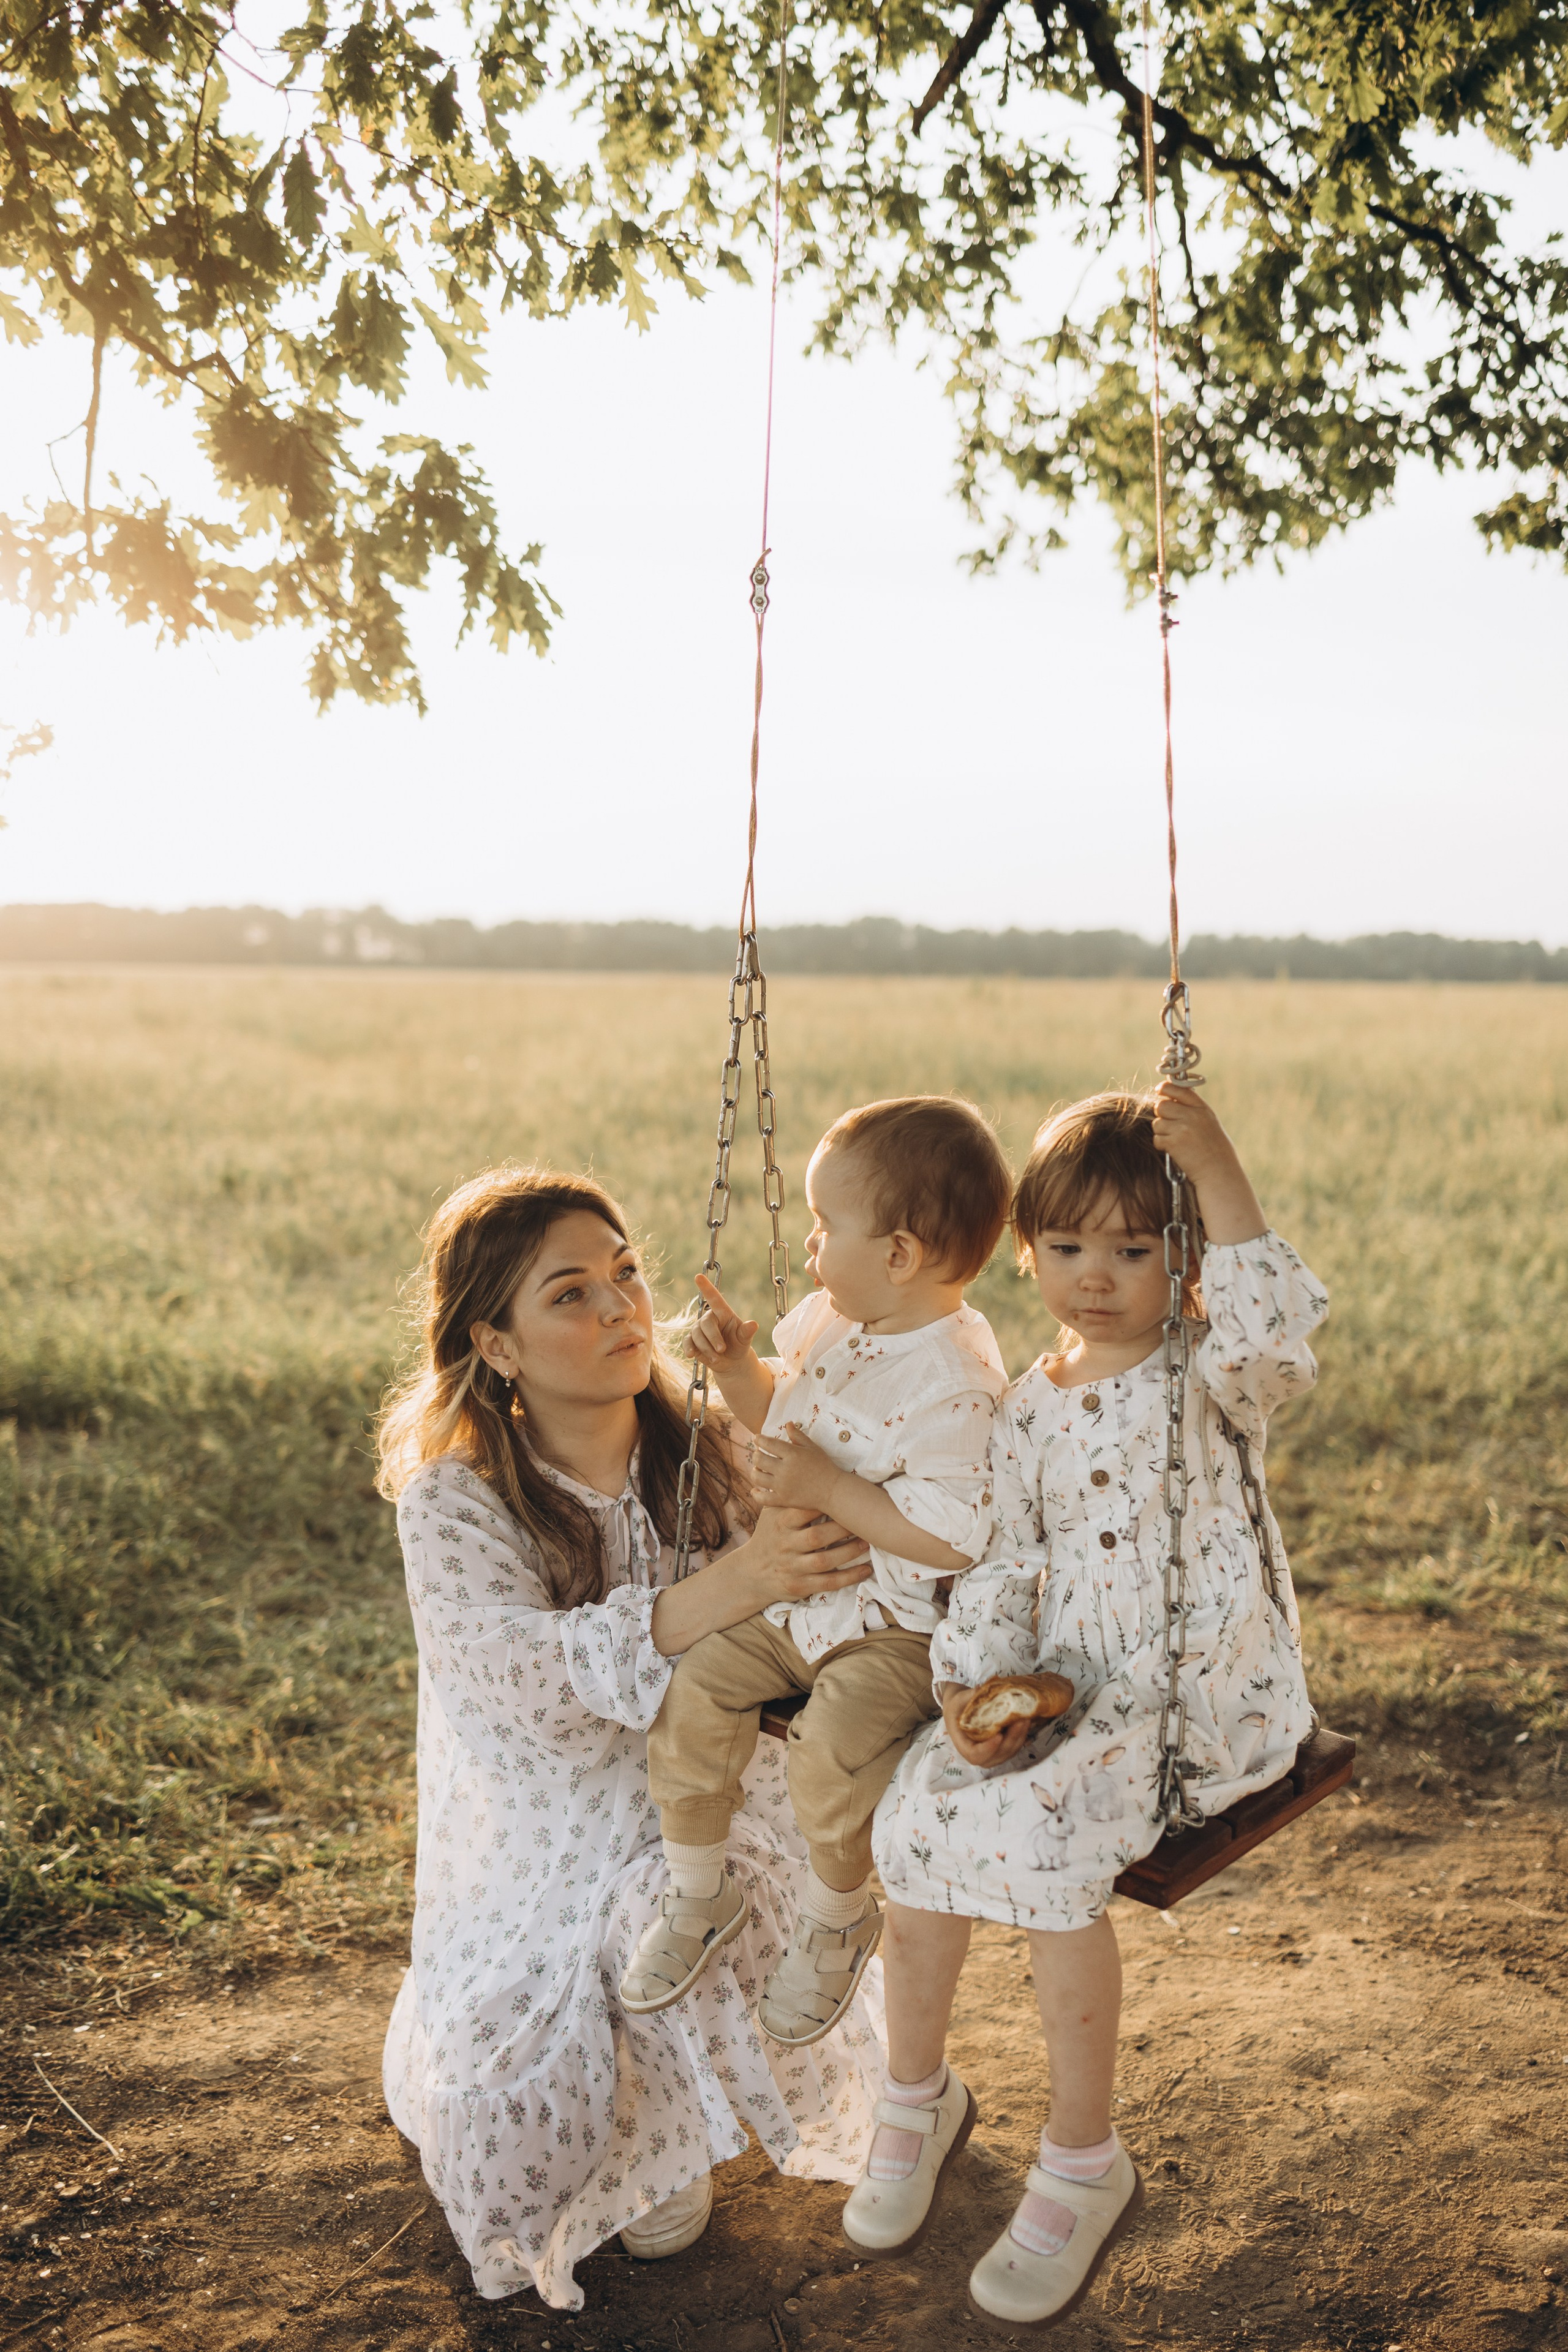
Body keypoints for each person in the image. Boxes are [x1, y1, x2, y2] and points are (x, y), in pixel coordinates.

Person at [846, 1082, 1329, 2328]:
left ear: (1187, 1260)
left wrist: (1217, 1169)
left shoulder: (1208, 1374)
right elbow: (1004, 1560)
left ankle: (1079, 2154)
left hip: (1191, 1703)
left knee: (1044, 1836)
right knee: (915, 1816)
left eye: (1134, 1248)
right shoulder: (1026, 1408)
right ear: (1024, 1253)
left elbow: (1276, 1337)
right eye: (1065, 1248)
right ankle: (915, 2095)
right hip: (1068, 1682)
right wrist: (973, 1688)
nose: (1096, 1276)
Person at [376, 1167, 886, 2313]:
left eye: (625, 1275)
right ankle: (600, 2114)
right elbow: (522, 1684)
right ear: (495, 1344)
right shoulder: (455, 1503)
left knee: (681, 1898)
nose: (619, 1310)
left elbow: (820, 1605)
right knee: (508, 2152)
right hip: (544, 1821)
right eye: (570, 1294)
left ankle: (670, 2139)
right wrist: (733, 1586)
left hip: (708, 1793)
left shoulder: (711, 1446)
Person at [619, 1097, 1012, 2049]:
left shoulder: (954, 1379)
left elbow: (955, 1535)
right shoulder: (834, 1321)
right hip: (805, 1599)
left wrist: (830, 1489)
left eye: (827, 1227)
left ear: (902, 1256)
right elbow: (780, 1415)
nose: (809, 1246)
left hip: (901, 1626)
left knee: (828, 1747)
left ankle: (839, 1918)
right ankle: (700, 1893)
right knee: (699, 1681)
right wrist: (739, 1367)